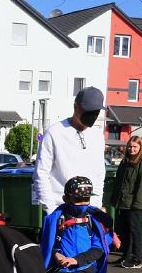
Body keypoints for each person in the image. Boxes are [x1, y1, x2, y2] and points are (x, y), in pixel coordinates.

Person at [32, 86, 107, 215]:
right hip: (61, 210)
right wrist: (52, 211)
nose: (92, 115)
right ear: (75, 107)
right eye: (88, 110)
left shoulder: (97, 136)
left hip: (89, 211)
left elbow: (99, 174)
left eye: (96, 111)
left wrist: (96, 206)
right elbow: (41, 173)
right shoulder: (54, 133)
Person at [111, 136, 142, 269]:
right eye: (130, 146)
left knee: (135, 231)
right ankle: (126, 256)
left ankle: (137, 259)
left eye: (135, 147)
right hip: (123, 202)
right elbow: (119, 182)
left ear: (140, 147)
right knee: (124, 231)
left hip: (135, 204)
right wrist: (115, 200)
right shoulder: (125, 161)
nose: (131, 149)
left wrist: (137, 204)